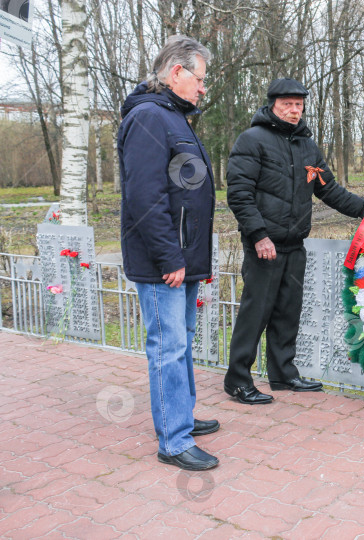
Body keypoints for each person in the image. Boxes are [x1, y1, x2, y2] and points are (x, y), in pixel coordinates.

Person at [224, 77, 364, 404]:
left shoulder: (307, 147)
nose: (293, 110)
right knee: (255, 313)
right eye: (287, 104)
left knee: (288, 313)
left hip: (294, 245)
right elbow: (239, 195)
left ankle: (284, 374)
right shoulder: (252, 141)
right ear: (272, 104)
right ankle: (237, 380)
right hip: (264, 246)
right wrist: (259, 235)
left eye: (299, 105)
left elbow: (328, 189)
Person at [119, 35, 219, 470]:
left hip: (183, 259)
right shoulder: (148, 118)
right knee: (168, 346)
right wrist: (170, 259)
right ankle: (173, 440)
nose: (203, 89)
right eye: (199, 79)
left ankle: (182, 417)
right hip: (165, 263)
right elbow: (145, 197)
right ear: (176, 72)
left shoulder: (174, 117)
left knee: (183, 344)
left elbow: (185, 191)